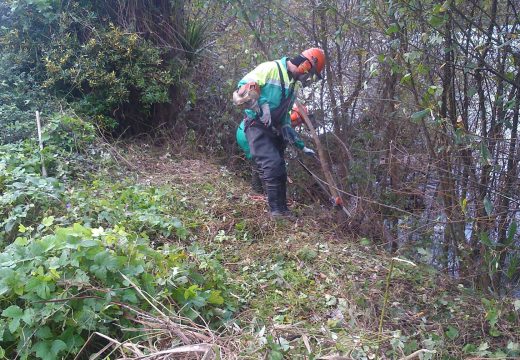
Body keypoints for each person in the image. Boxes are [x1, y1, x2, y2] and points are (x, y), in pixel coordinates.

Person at [233, 48, 326, 218]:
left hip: (273, 128)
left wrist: (297, 142)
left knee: (281, 169)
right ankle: (275, 211)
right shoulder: (271, 68)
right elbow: (243, 87)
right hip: (256, 124)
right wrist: (262, 105)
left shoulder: (293, 86)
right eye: (309, 73)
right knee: (271, 164)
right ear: (305, 63)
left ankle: (283, 210)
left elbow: (285, 118)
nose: (308, 78)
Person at [236, 104, 312, 194]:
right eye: (299, 120)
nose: (298, 124)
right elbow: (289, 132)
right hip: (247, 134)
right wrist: (303, 147)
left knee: (259, 164)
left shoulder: (282, 116)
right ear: (296, 115)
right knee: (263, 165)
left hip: (247, 132)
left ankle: (260, 193)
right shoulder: (283, 115)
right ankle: (267, 194)